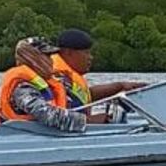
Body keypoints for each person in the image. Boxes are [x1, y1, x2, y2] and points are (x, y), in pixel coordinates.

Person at [19, 29, 147, 123]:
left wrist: (120, 87)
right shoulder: (23, 86)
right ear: (32, 59)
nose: (51, 60)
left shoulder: (52, 78)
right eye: (46, 56)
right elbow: (47, 114)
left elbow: (80, 97)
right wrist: (88, 120)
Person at [0, 37, 86, 133]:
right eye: (46, 56)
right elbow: (44, 113)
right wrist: (85, 122)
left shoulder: (49, 80)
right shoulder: (22, 88)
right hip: (7, 137)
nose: (51, 60)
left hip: (32, 134)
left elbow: (68, 99)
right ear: (32, 57)